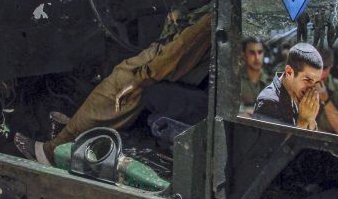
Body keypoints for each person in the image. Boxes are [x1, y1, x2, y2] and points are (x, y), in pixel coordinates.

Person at [14, 13, 212, 165]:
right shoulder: (216, 8)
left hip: (172, 73)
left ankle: (50, 153)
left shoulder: (211, 19)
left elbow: (176, 54)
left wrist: (139, 79)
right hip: (177, 67)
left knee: (120, 85)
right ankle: (80, 128)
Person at [253, 43, 338, 133]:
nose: (312, 88)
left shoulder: (296, 94)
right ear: (289, 72)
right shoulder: (268, 102)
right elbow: (272, 148)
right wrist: (303, 121)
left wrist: (311, 120)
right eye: (308, 80)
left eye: (316, 82)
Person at [239, 37, 267, 113]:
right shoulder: (235, 79)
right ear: (244, 55)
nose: (257, 58)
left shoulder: (272, 80)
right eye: (252, 53)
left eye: (260, 52)